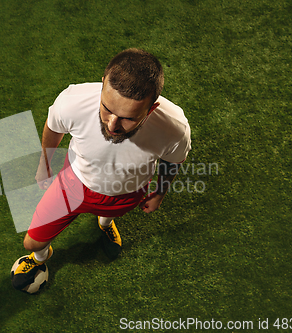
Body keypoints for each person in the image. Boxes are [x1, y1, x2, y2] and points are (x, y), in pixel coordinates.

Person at [12, 48, 191, 290]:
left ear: (151, 109)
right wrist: (44, 164)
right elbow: (54, 127)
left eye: (127, 118)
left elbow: (173, 162)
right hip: (73, 184)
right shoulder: (72, 101)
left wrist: (160, 193)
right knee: (32, 243)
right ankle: (39, 260)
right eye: (107, 108)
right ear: (103, 82)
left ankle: (104, 225)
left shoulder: (174, 129)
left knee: (111, 216)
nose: (112, 125)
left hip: (128, 192)